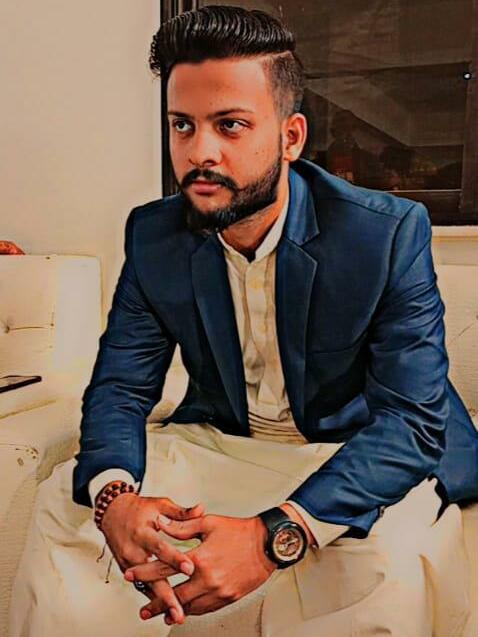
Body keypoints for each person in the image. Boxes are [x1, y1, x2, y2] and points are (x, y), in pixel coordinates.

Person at [10, 6, 478, 637]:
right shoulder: (154, 234)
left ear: (291, 137)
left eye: (230, 125)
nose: (200, 152)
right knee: (65, 509)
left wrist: (273, 536)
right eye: (182, 125)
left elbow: (411, 422)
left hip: (351, 448)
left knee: (380, 565)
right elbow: (121, 386)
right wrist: (116, 499)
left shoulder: (385, 234)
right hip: (225, 440)